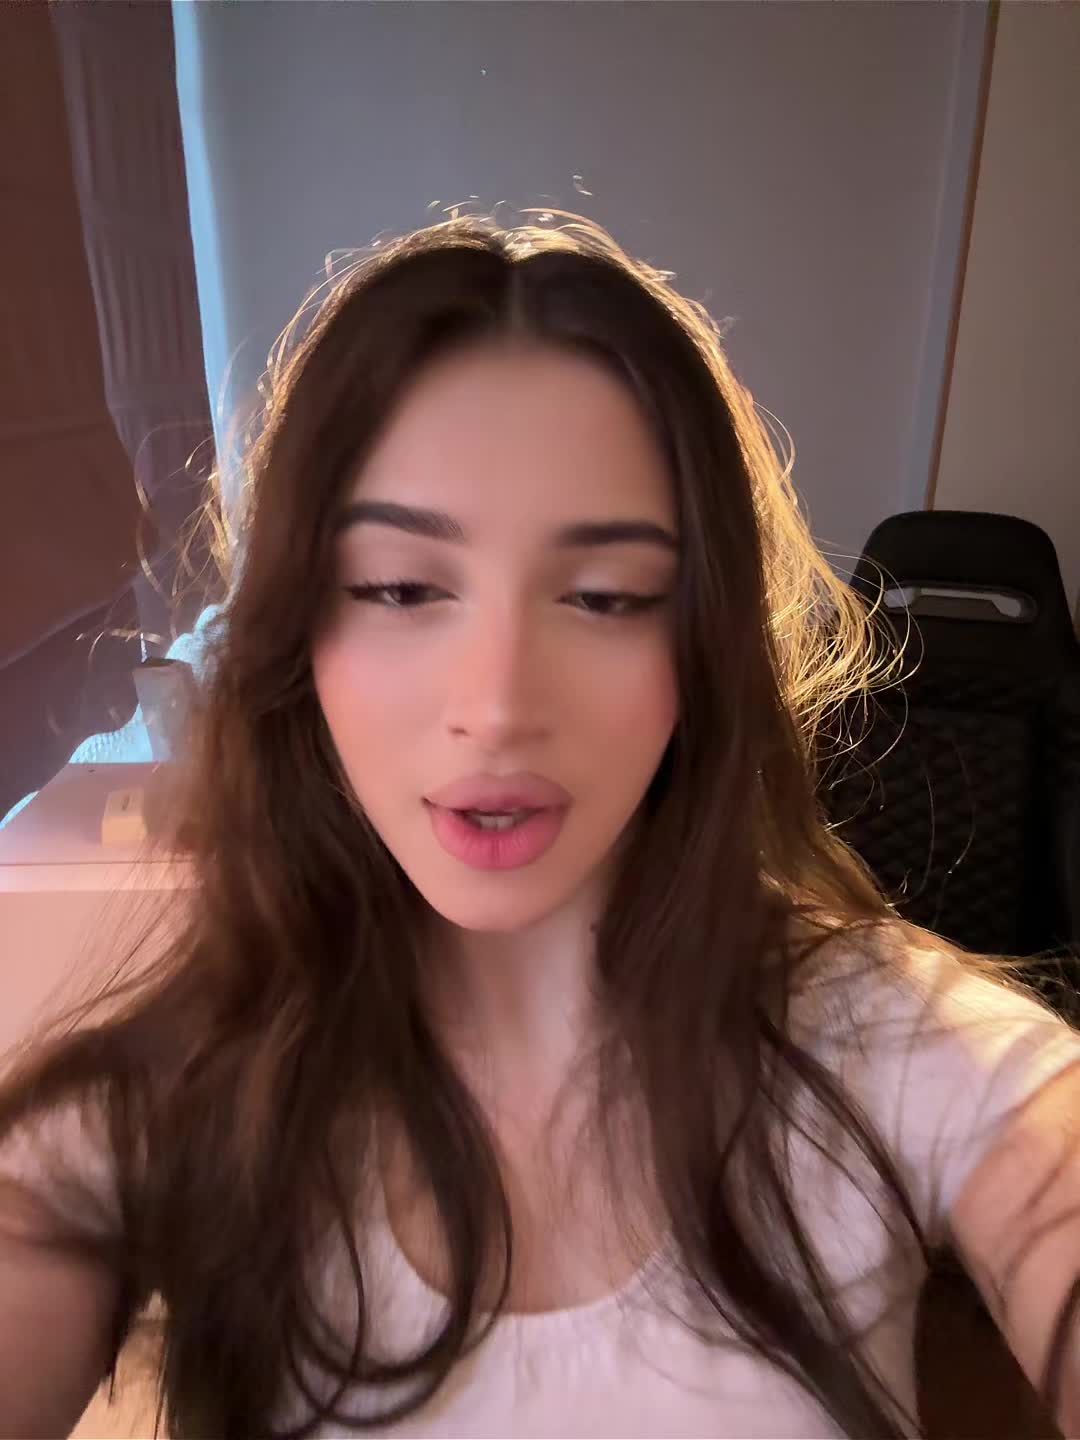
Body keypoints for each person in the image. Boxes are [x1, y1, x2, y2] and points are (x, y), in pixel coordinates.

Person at [1, 212, 1078, 1440]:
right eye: (402, 587)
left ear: (700, 646)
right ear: (300, 636)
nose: (500, 705)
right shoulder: (156, 1113)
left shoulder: (892, 1045)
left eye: (606, 597)